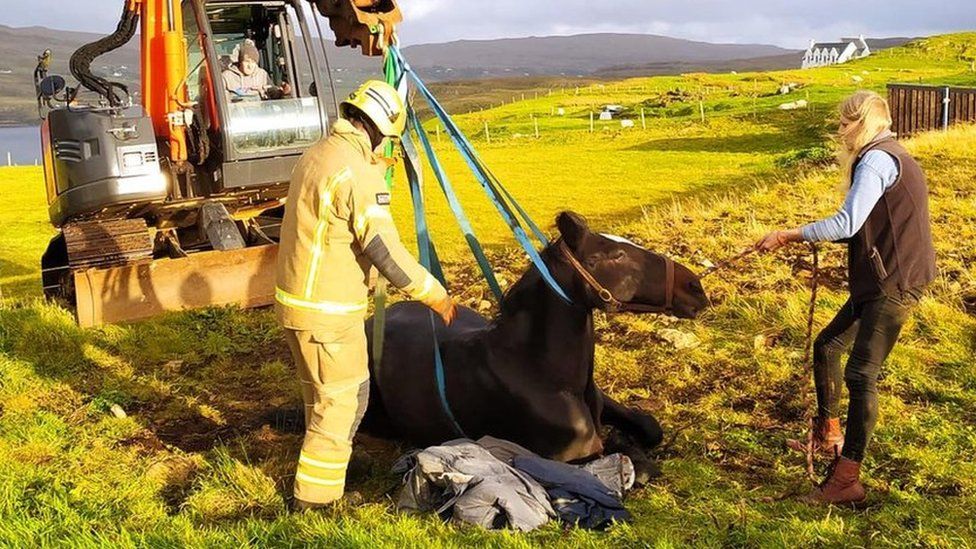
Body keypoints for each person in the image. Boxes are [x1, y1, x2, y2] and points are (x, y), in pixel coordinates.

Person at [275, 79, 457, 510]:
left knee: (320, 398)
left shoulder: (321, 152)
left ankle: (326, 468)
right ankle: (316, 503)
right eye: (390, 140)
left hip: (299, 305)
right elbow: (384, 250)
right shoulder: (356, 172)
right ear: (378, 128)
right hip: (329, 312)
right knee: (343, 402)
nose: (388, 150)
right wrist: (433, 293)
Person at [755, 90, 935, 506]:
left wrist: (787, 235)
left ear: (862, 123)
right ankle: (829, 436)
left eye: (843, 124)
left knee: (860, 374)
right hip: (881, 278)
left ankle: (847, 478)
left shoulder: (875, 159)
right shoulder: (890, 154)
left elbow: (848, 222)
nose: (839, 132)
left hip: (893, 282)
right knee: (828, 345)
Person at [221, 40, 291, 100]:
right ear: (240, 62)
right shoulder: (226, 77)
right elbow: (222, 102)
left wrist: (282, 92)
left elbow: (272, 92)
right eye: (247, 61)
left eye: (253, 62)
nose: (250, 66)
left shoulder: (262, 75)